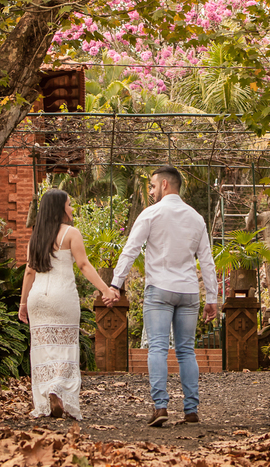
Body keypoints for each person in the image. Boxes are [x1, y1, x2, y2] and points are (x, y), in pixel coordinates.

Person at [108, 166, 218, 427]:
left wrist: (115, 284)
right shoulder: (196, 218)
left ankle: (160, 407)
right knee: (186, 351)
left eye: (153, 186)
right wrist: (212, 297)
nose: (151, 191)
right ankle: (191, 409)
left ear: (166, 185)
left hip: (159, 289)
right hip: (189, 291)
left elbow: (130, 250)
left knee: (157, 347)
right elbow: (207, 260)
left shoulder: (152, 213)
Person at [18, 188, 119, 420]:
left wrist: (23, 304)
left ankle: (48, 394)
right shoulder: (71, 233)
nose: (72, 209)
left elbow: (29, 272)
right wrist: (106, 290)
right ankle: (58, 389)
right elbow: (84, 265)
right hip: (62, 297)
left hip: (37, 299)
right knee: (66, 346)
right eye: (69, 204)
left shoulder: (36, 237)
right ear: (60, 209)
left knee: (43, 349)